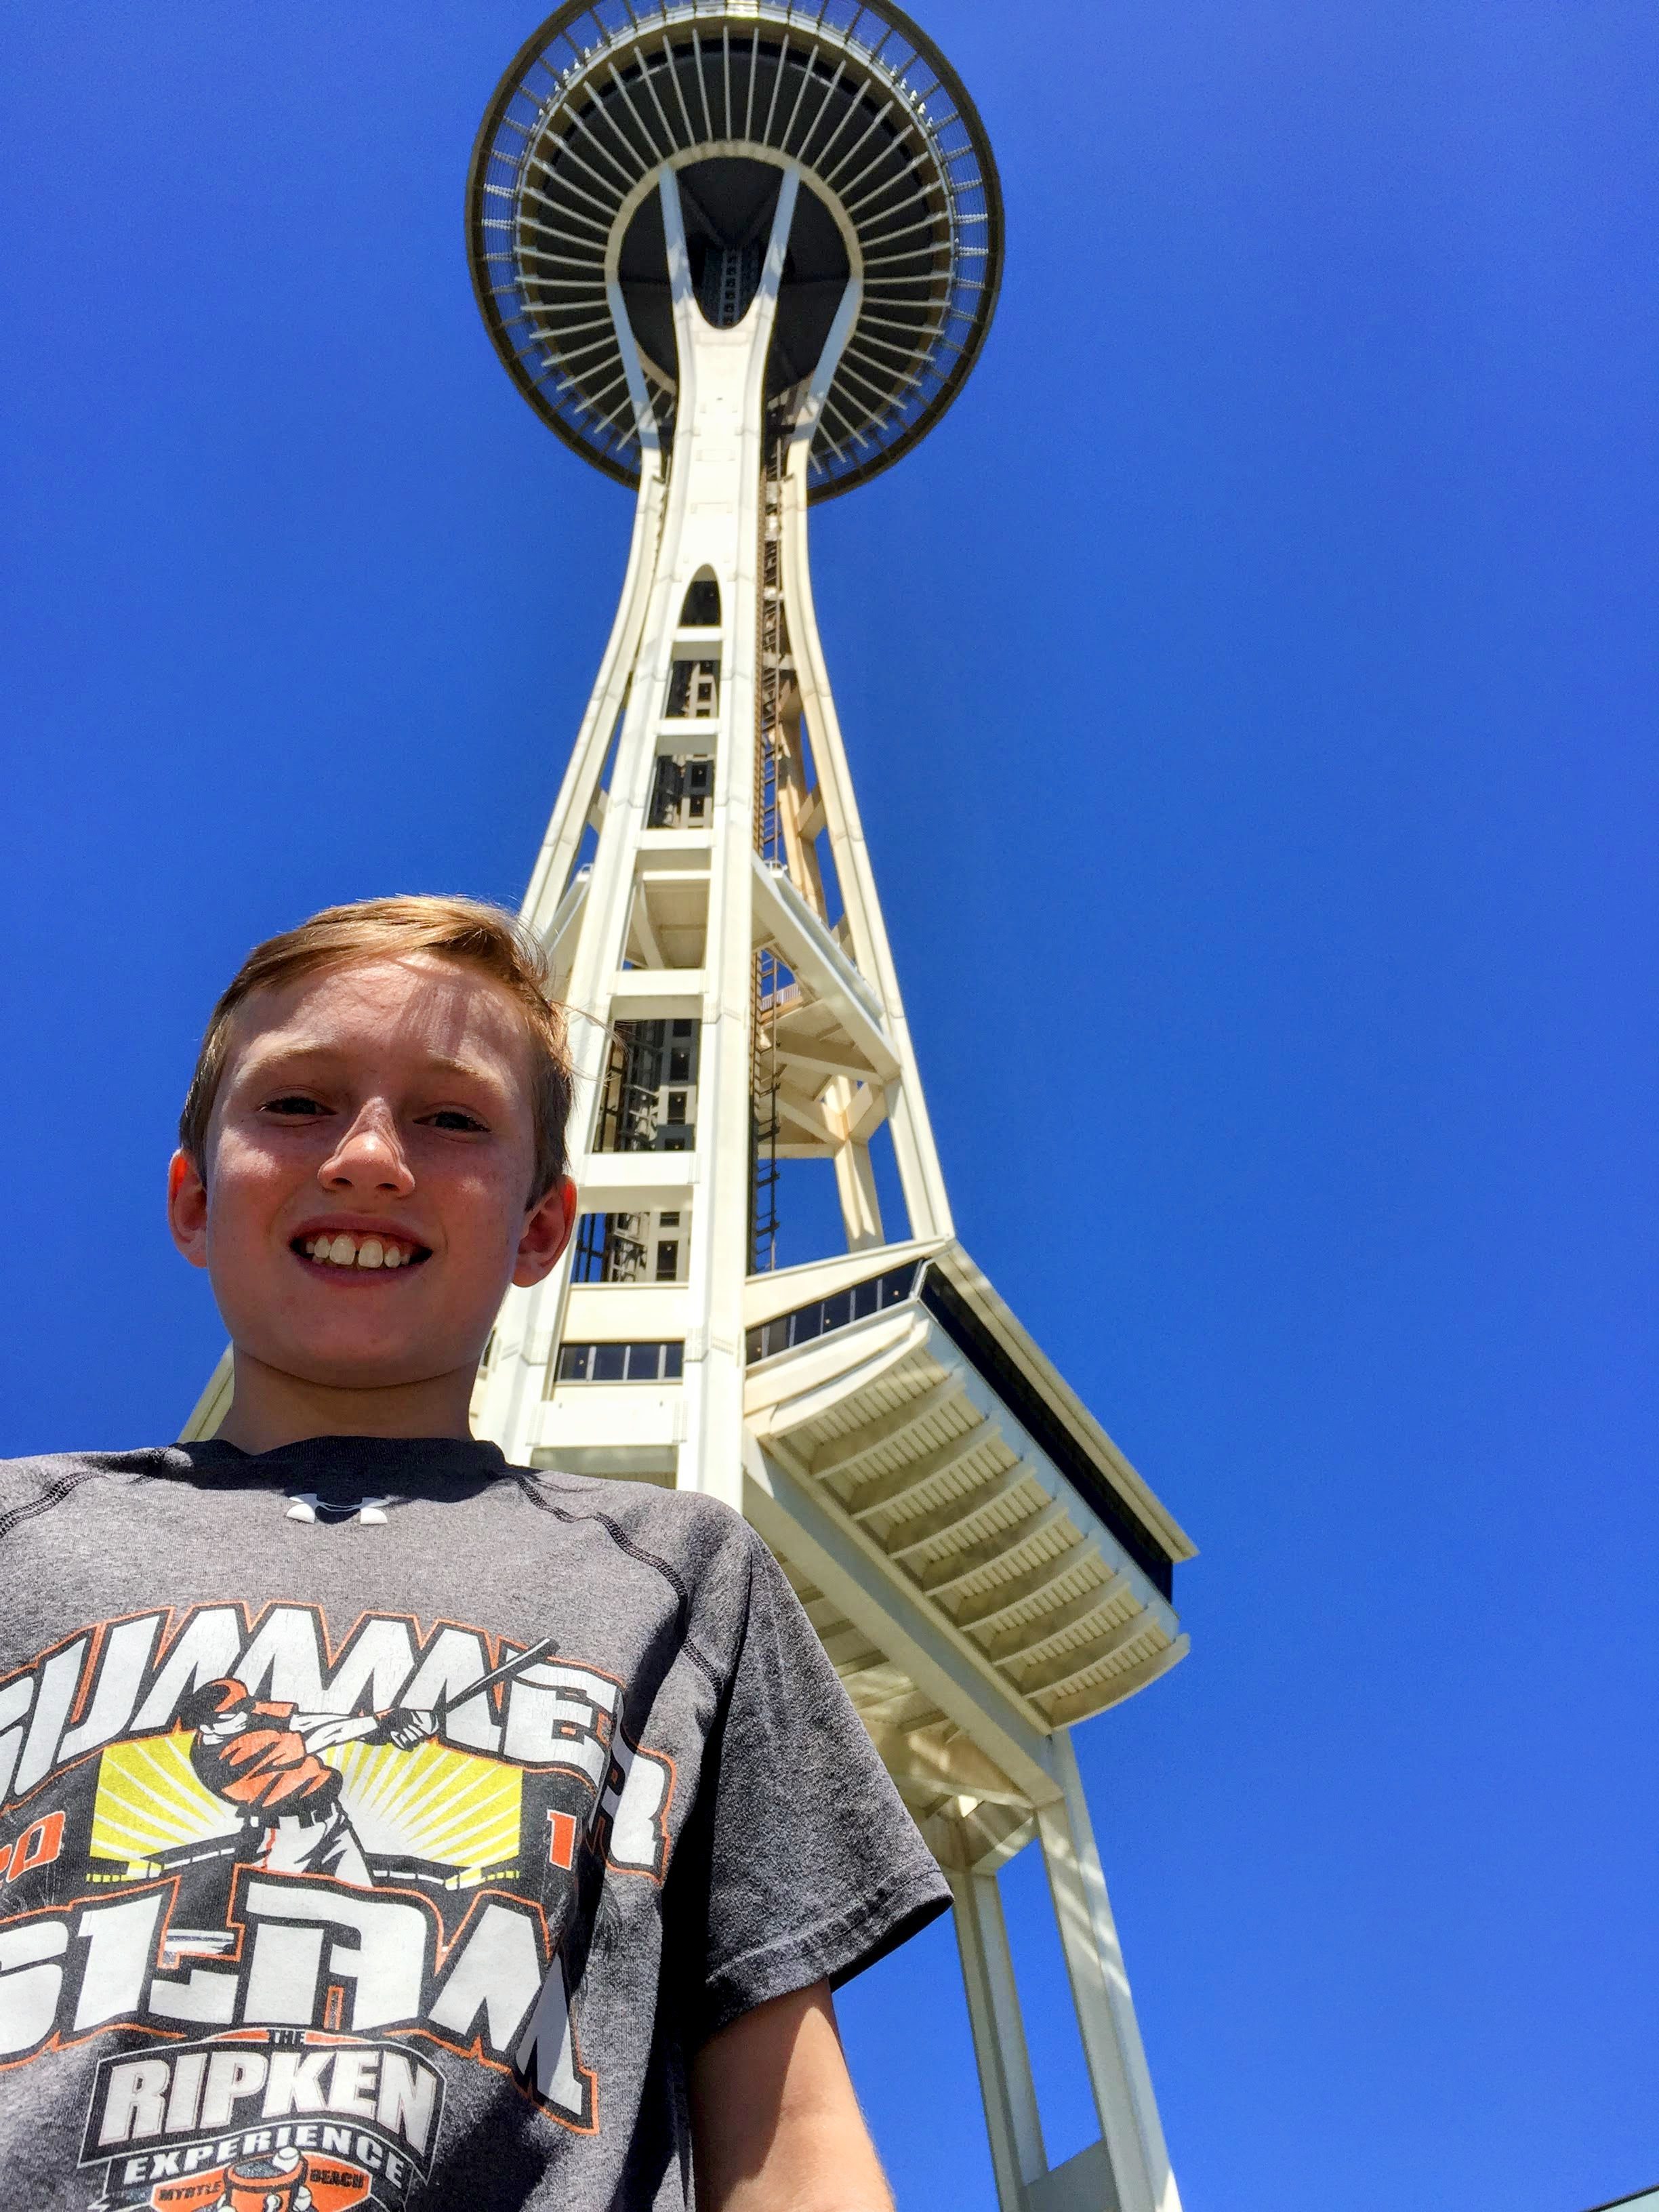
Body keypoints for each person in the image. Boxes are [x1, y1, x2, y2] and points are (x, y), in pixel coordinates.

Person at [0, 897, 948, 2212]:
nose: (371, 1157)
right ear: (191, 1198)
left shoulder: (681, 1579)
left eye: (450, 1119)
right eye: (298, 1105)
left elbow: (788, 2133)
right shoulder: (23, 1541)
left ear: (544, 1229)